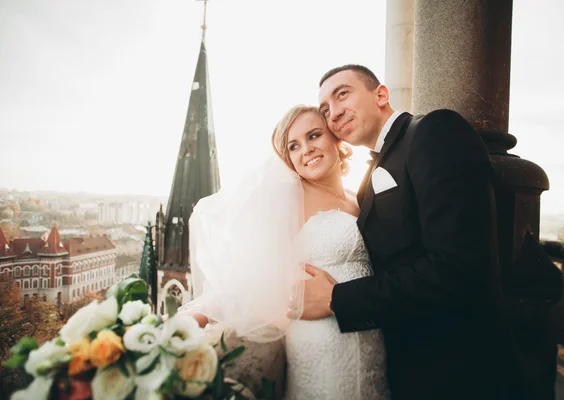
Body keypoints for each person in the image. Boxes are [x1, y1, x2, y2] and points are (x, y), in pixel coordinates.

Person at [299, 64, 524, 399]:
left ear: (381, 94)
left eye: (342, 93)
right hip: (406, 370)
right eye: (326, 109)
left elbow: (456, 267)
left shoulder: (434, 131)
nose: (334, 113)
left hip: (462, 372)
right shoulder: (370, 177)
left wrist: (337, 299)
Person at [182, 105, 390, 399]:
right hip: (321, 343)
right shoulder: (288, 201)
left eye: (314, 136)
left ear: (334, 139)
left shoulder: (357, 197)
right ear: (288, 158)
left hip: (370, 337)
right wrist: (198, 315)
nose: (306, 149)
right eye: (294, 146)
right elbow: (248, 271)